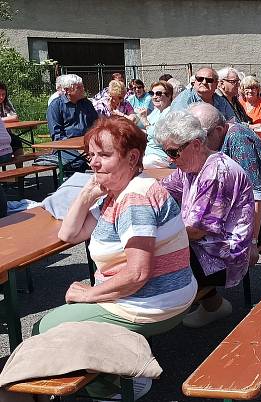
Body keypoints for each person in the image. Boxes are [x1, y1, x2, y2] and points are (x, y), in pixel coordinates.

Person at [35, 117, 197, 399]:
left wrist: (91, 294)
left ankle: (117, 386)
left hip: (151, 302)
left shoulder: (135, 199)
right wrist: (86, 194)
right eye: (92, 156)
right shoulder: (123, 191)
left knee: (46, 328)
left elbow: (137, 274)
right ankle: (119, 370)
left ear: (132, 157)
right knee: (56, 325)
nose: (95, 163)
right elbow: (70, 234)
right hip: (167, 293)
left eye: (105, 155)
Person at [155, 110, 255, 328]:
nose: (171, 159)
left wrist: (153, 234)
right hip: (205, 247)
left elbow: (196, 230)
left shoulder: (216, 173)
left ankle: (153, 321)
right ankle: (213, 306)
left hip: (223, 257)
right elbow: (162, 188)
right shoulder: (190, 165)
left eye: (173, 153)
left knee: (155, 259)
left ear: (196, 144)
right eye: (167, 153)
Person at [188, 102, 261, 266]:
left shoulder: (238, 139)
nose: (197, 144)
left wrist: (252, 242)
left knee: (194, 249)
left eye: (201, 138)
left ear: (218, 130)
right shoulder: (220, 137)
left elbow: (256, 195)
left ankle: (208, 289)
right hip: (231, 214)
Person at [170, 67, 237, 121]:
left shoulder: (221, 101)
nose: (204, 82)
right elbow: (177, 126)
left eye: (209, 80)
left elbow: (233, 121)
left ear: (216, 84)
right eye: (200, 79)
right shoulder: (183, 100)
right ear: (195, 82)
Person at [46, 74, 99, 141]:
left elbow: (96, 124)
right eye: (78, 88)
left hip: (88, 142)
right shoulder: (55, 106)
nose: (83, 89)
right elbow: (57, 134)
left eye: (82, 86)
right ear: (67, 90)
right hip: (66, 146)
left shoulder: (86, 103)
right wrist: (72, 144)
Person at [138, 80, 174, 168]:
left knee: (142, 163)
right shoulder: (156, 111)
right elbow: (143, 128)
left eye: (158, 94)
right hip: (149, 154)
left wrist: (145, 122)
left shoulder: (170, 112)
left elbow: (158, 136)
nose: (154, 97)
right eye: (152, 93)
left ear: (169, 96)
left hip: (161, 157)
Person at [0, 82, 23, 161]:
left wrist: (1, 120)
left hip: (7, 134)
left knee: (17, 142)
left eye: (3, 94)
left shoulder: (6, 102)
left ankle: (19, 171)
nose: (1, 97)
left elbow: (15, 117)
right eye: (0, 94)